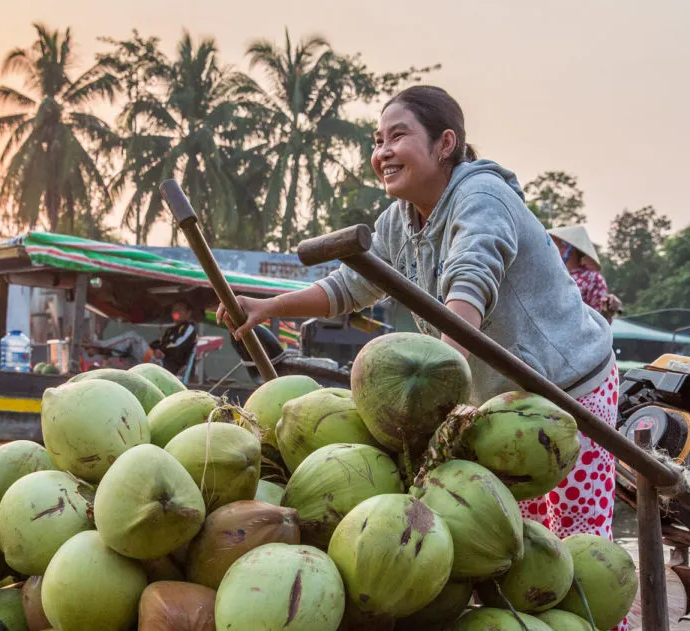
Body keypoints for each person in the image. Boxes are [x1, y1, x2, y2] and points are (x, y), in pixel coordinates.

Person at [217, 86, 622, 566]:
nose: (382, 152)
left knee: (576, 545)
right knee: (513, 543)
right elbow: (349, 286)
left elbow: (472, 277)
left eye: (398, 135)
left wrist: (442, 381)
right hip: (498, 407)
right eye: (377, 140)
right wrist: (267, 307)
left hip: (568, 391)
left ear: (444, 144)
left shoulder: (481, 196)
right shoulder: (398, 222)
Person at [548, 225, 623, 323]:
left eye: (560, 245)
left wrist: (608, 311)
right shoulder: (554, 276)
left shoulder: (592, 278)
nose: (555, 249)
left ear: (570, 249)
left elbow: (600, 321)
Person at [148, 301, 198, 376]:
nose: (175, 312)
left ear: (188, 313)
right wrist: (153, 348)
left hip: (170, 367)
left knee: (132, 338)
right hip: (157, 361)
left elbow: (177, 346)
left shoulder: (189, 328)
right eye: (173, 309)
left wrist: (161, 351)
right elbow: (160, 343)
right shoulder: (170, 330)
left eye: (179, 309)